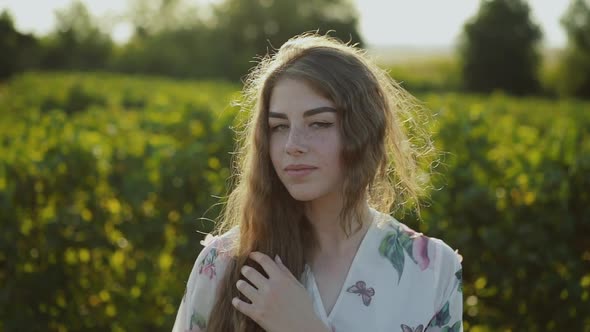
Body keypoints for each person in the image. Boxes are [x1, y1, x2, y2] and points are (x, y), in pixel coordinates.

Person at [172, 32, 463, 332]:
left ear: (365, 131)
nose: (293, 145)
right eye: (279, 126)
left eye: (319, 123)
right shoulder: (221, 264)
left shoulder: (432, 270)